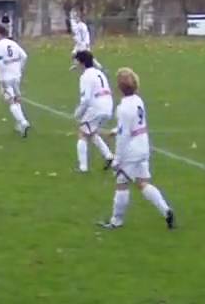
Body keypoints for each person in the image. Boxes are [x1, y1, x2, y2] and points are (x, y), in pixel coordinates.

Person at [99, 68, 176, 230]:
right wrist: (114, 131)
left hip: (131, 151)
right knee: (142, 183)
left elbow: (124, 135)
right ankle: (166, 210)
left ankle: (116, 221)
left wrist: (117, 159)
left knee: (122, 183)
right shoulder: (138, 101)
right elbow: (132, 126)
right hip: (143, 146)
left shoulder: (122, 108)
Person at [73, 50, 115, 172]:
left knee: (82, 133)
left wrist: (78, 113)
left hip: (96, 107)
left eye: (76, 61)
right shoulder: (99, 73)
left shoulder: (85, 76)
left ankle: (83, 167)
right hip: (108, 105)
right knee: (91, 132)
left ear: (81, 63)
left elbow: (85, 99)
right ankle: (109, 156)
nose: (75, 64)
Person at [0, 25, 31, 136]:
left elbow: (0, 63)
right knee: (17, 99)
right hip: (16, 75)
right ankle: (20, 124)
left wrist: (0, 79)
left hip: (6, 76)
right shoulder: (13, 43)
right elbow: (24, 56)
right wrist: (20, 69)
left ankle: (23, 122)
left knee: (10, 100)